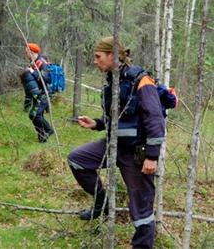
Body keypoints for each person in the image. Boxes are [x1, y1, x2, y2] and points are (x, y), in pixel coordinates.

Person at [67, 36, 165, 248]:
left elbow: (154, 118)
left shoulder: (142, 80)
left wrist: (152, 156)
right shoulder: (113, 80)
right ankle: (102, 204)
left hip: (136, 155)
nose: (95, 61)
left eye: (98, 56)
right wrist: (98, 123)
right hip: (113, 146)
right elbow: (120, 117)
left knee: (141, 208)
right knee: (77, 160)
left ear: (112, 56)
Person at [20, 42, 54, 143]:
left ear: (32, 52)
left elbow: (46, 79)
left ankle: (49, 130)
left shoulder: (42, 63)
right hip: (38, 93)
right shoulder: (33, 62)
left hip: (45, 93)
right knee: (36, 116)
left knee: (34, 115)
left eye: (27, 52)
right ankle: (42, 137)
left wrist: (32, 72)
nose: (25, 54)